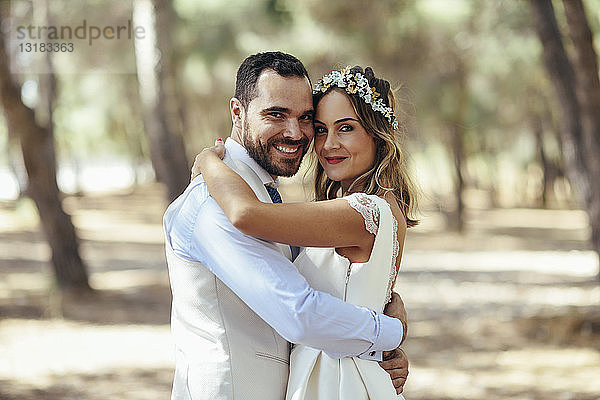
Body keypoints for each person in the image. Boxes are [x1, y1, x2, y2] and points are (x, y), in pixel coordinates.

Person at [163, 52, 409, 400]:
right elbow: (300, 312)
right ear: (237, 112)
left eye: (306, 119)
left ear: (378, 136)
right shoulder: (211, 200)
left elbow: (247, 214)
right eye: (276, 114)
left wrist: (205, 159)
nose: (299, 134)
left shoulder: (359, 210)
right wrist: (389, 333)